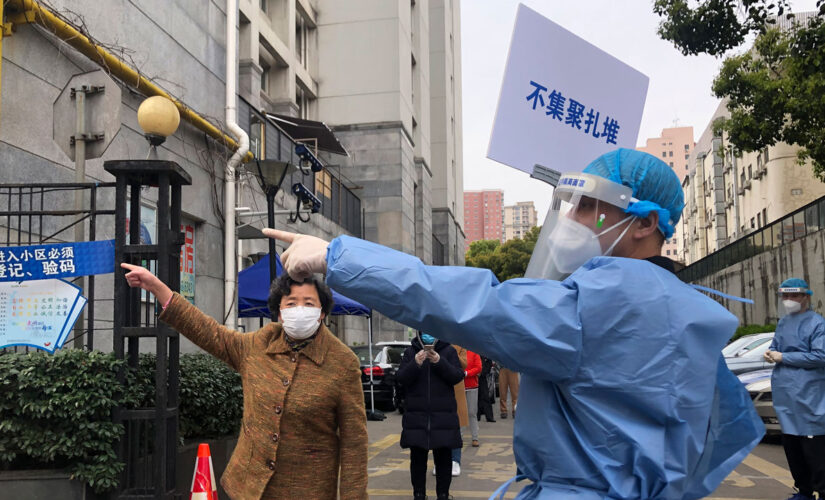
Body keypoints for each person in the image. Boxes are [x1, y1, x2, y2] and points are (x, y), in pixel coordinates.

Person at [263, 148, 764, 499]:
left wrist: (340, 258)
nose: (575, 219)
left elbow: (477, 305)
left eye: (593, 206)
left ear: (646, 222)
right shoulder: (674, 302)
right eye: (574, 204)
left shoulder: (612, 299)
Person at [120, 264, 368, 500]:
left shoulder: (342, 362)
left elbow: (354, 443)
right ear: (280, 312)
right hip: (249, 487)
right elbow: (209, 333)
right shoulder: (258, 345)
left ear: (322, 312)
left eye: (309, 303)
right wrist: (157, 288)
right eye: (291, 303)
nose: (300, 309)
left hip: (308, 489)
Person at [764, 278, 825, 500]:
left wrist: (784, 357)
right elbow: (776, 346)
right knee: (792, 447)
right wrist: (771, 353)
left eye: (794, 296)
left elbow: (821, 355)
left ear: (806, 297)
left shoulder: (817, 324)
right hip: (787, 397)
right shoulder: (784, 323)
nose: (789, 300)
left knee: (814, 452)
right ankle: (804, 492)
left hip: (809, 397)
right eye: (785, 296)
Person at [397, 332, 465, 500]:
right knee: (417, 459)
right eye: (423, 331)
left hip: (443, 415)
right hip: (416, 415)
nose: (427, 335)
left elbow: (457, 376)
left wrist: (439, 362)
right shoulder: (410, 352)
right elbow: (401, 378)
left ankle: (443, 494)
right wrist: (415, 364)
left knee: (444, 459)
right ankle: (419, 494)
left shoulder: (448, 351)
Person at [477, 356, 496, 423]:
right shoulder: (472, 350)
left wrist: (483, 373)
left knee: (486, 397)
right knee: (475, 397)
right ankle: (477, 416)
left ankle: (489, 417)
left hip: (482, 377)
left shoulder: (483, 351)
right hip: (473, 376)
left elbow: (489, 362)